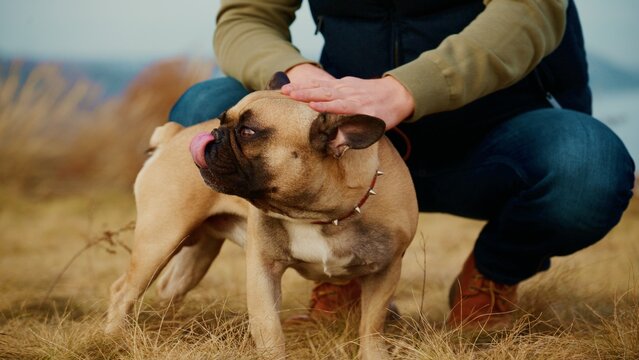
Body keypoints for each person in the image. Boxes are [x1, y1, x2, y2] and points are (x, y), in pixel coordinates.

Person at [168, 0, 635, 329]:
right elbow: (246, 16)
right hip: (343, 149)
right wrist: (297, 74)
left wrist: (405, 90)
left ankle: (494, 273)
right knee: (202, 110)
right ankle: (342, 274)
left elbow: (529, 10)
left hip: (491, 136)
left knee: (586, 166)